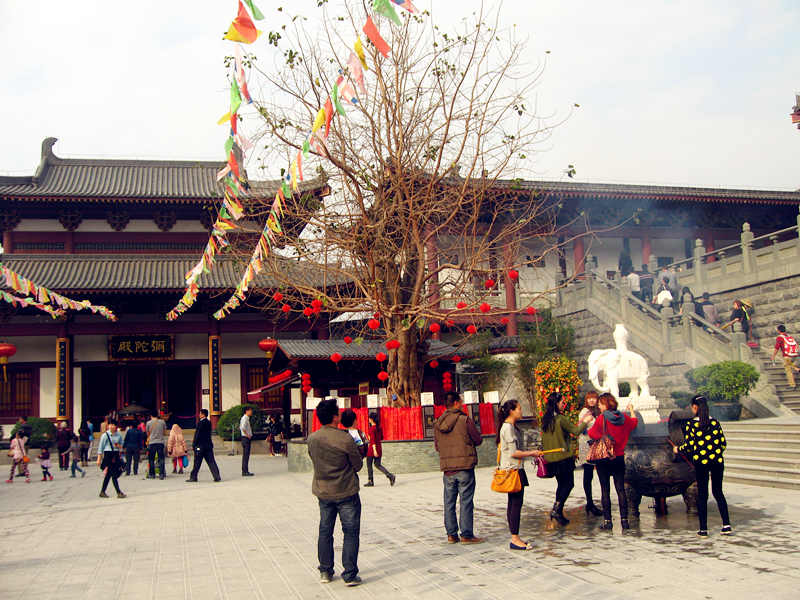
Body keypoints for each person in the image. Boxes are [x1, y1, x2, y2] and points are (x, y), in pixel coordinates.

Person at [307, 399, 363, 586]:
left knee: (325, 530)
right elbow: (357, 464)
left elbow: (314, 460)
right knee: (350, 531)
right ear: (334, 417)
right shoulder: (345, 439)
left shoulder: (312, 439)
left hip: (323, 490)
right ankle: (350, 573)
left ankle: (325, 570)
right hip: (345, 490)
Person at [675, 395, 731, 537]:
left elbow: (689, 446)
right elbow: (723, 444)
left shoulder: (691, 425)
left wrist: (678, 449)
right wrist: (714, 453)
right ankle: (726, 525)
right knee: (718, 492)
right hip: (717, 462)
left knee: (702, 495)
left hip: (701, 463)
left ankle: (703, 529)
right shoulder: (715, 423)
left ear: (695, 407)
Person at [434, 391, 484, 544]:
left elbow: (437, 446)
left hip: (448, 469)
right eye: (460, 401)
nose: (462, 404)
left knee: (449, 502)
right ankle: (466, 534)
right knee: (466, 501)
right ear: (456, 403)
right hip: (464, 467)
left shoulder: (438, 423)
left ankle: (451, 534)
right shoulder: (465, 420)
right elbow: (478, 439)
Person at [496, 399, 544, 550]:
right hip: (513, 470)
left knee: (513, 503)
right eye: (519, 409)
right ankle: (515, 538)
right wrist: (532, 453)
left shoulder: (510, 427)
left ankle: (515, 536)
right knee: (515, 504)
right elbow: (514, 453)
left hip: (514, 469)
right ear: (511, 411)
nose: (521, 411)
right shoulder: (508, 428)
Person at [587, 393, 638, 530]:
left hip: (604, 458)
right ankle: (624, 521)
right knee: (620, 489)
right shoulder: (624, 417)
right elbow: (634, 423)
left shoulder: (602, 418)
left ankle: (608, 521)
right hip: (619, 457)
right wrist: (632, 410)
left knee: (605, 490)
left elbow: (592, 433)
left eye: (600, 404)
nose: (599, 406)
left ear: (605, 405)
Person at [540, 392, 590, 526]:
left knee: (561, 484)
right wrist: (585, 422)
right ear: (556, 404)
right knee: (568, 484)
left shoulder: (546, 419)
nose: (564, 404)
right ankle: (556, 510)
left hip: (551, 458)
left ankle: (558, 511)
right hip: (563, 458)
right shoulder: (560, 419)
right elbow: (576, 431)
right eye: (562, 402)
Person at [576, 392, 603, 516]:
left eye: (594, 398)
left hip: (596, 444)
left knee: (596, 473)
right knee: (588, 474)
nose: (592, 400)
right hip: (587, 445)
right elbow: (581, 428)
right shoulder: (585, 412)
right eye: (589, 398)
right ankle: (590, 503)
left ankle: (592, 503)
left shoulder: (597, 411)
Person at [186, 409, 221, 483]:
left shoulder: (200, 423)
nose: (199, 415)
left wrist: (194, 444)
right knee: (211, 461)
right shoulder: (209, 422)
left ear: (203, 414)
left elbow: (197, 435)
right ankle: (217, 476)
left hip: (200, 446)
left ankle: (193, 477)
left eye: (200, 413)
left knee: (197, 462)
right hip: (208, 445)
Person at [96, 419, 126, 498]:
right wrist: (99, 459)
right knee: (113, 474)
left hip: (115, 455)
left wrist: (118, 446)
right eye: (110, 425)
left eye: (113, 425)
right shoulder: (105, 435)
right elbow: (101, 447)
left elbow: (122, 445)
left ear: (116, 426)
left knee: (109, 475)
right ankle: (118, 492)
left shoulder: (118, 435)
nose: (112, 426)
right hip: (108, 455)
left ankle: (102, 491)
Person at [364, 413, 395, 487]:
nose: (368, 419)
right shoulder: (379, 428)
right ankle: (390, 475)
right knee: (378, 464)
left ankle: (370, 481)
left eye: (369, 418)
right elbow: (381, 438)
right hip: (379, 448)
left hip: (372, 449)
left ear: (371, 419)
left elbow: (372, 440)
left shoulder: (372, 429)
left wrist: (374, 450)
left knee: (369, 465)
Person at [771, 324, 799, 389]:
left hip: (787, 356)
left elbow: (777, 347)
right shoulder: (789, 336)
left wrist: (773, 355)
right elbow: (796, 345)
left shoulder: (780, 337)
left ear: (779, 330)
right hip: (794, 355)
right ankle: (797, 369)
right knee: (791, 366)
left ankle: (792, 385)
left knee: (788, 370)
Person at [146, 412, 167, 479]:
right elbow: (164, 432)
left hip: (152, 443)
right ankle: (161, 474)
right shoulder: (162, 422)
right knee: (161, 459)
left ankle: (152, 474)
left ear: (151, 415)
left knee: (151, 459)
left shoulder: (148, 423)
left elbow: (148, 433)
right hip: (160, 442)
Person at [240, 407, 254, 476]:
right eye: (250, 411)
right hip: (245, 438)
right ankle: (245, 471)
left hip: (245, 438)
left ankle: (245, 470)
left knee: (246, 455)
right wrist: (247, 435)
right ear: (247, 411)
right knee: (246, 455)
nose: (251, 412)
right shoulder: (245, 418)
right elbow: (242, 428)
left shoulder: (246, 418)